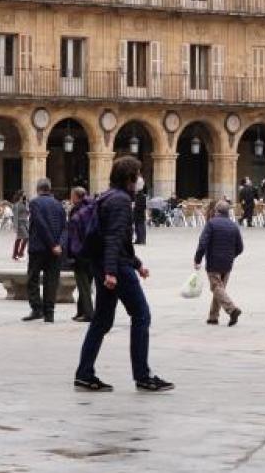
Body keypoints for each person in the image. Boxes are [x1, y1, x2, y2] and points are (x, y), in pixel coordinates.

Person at [74, 156, 173, 392]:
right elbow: (113, 239)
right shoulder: (120, 201)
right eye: (138, 174)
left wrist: (137, 264)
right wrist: (111, 272)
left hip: (105, 264)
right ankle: (143, 376)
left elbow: (118, 240)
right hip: (116, 268)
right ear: (130, 177)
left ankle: (84, 374)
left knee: (101, 320)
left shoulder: (108, 196)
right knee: (141, 315)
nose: (140, 179)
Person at [22, 177, 65, 324]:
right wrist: (59, 245)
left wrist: (52, 244)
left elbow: (41, 225)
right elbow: (65, 228)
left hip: (38, 248)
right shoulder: (59, 204)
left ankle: (37, 309)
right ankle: (49, 313)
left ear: (38, 189)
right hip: (56, 251)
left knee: (33, 279)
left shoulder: (35, 203)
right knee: (51, 281)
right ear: (49, 189)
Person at [194, 199, 244, 326]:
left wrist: (197, 259)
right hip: (227, 263)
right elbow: (240, 247)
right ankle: (213, 317)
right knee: (219, 289)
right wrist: (231, 256)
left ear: (216, 211)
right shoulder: (234, 226)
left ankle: (232, 309)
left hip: (213, 261)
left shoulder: (211, 224)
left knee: (216, 287)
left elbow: (203, 243)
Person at [66, 187, 95, 323]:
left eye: (72, 195)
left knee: (83, 285)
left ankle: (88, 313)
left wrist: (71, 252)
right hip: (91, 252)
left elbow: (73, 234)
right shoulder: (91, 208)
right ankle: (81, 311)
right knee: (86, 283)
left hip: (80, 253)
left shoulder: (77, 211)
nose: (70, 198)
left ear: (76, 197)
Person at [11, 190, 28, 261]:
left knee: (19, 238)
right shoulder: (16, 205)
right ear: (21, 195)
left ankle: (16, 254)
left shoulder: (24, 203)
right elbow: (15, 216)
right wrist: (15, 226)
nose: (25, 195)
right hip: (20, 223)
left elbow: (26, 212)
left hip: (25, 223)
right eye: (24, 194)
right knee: (25, 237)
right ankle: (19, 253)